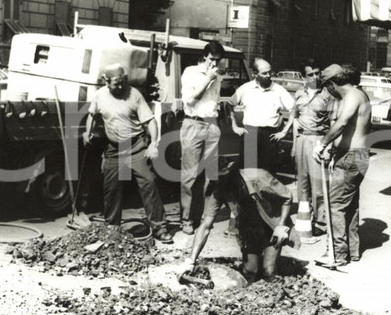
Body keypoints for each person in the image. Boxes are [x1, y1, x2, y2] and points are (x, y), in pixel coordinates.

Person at [84, 63, 171, 243]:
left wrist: (153, 144)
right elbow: (92, 115)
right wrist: (87, 132)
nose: (121, 86)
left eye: (123, 82)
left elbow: (150, 122)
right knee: (111, 189)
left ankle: (159, 228)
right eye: (116, 83)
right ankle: (112, 229)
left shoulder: (134, 95)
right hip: (114, 149)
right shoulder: (99, 96)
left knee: (149, 183)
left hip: (136, 146)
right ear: (106, 82)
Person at [179, 164, 294, 283]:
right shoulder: (221, 189)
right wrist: (190, 261)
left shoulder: (259, 176)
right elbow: (205, 226)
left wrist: (281, 225)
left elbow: (287, 197)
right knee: (250, 271)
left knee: (268, 272)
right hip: (250, 228)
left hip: (272, 226)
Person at [313, 64, 371, 267]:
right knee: (350, 206)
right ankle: (351, 251)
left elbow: (343, 122)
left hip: (350, 158)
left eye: (326, 87)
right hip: (356, 156)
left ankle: (337, 254)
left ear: (332, 84)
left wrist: (323, 143)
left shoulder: (352, 96)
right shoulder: (359, 94)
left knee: (336, 206)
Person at [179, 40, 225, 235]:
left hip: (212, 125)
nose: (215, 64)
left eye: (218, 60)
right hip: (194, 123)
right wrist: (207, 79)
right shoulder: (191, 72)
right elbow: (190, 99)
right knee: (190, 174)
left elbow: (214, 101)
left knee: (209, 175)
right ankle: (187, 219)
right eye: (212, 59)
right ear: (205, 56)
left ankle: (203, 216)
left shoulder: (219, 76)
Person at [287, 59, 336, 236]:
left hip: (318, 140)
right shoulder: (299, 93)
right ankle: (305, 221)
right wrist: (294, 144)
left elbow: (333, 122)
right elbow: (295, 118)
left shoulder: (328, 94)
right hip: (301, 139)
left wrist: (328, 147)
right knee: (303, 182)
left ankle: (322, 222)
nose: (315, 77)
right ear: (303, 76)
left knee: (319, 184)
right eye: (310, 74)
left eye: (317, 73)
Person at [230, 59, 294, 174]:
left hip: (270, 135)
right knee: (247, 172)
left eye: (270, 72)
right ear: (255, 74)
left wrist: (284, 132)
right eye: (264, 73)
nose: (268, 76)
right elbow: (229, 104)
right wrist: (234, 126)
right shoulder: (246, 88)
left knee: (268, 173)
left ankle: (266, 193)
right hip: (250, 133)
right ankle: (250, 193)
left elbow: (294, 110)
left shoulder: (279, 90)